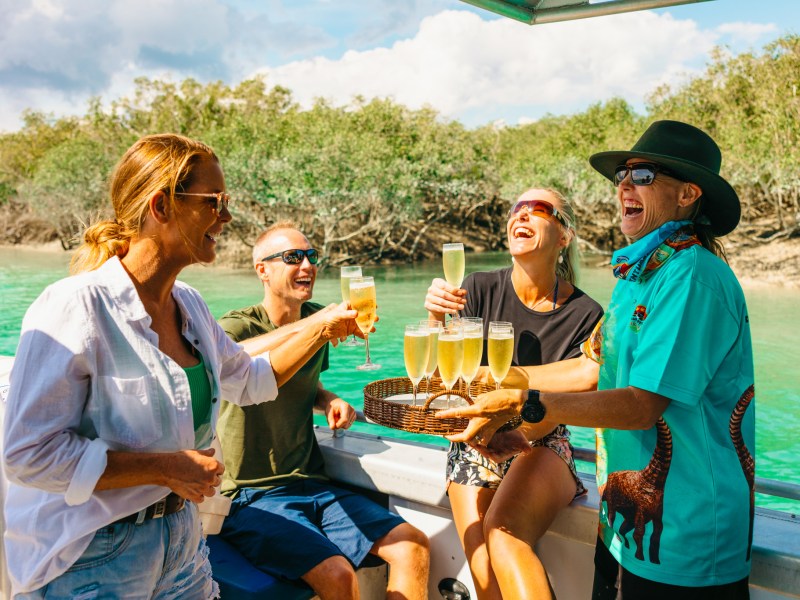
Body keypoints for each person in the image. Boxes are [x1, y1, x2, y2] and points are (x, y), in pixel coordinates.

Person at [2, 134, 359, 599]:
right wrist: (163, 468)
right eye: (215, 201)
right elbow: (28, 454)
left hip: (182, 543)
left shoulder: (188, 304)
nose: (227, 217)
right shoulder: (77, 305)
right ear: (162, 205)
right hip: (95, 553)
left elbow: (250, 381)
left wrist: (321, 330)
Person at [440, 120, 755, 599]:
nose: (625, 184)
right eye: (622, 176)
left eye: (643, 175)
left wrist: (527, 405)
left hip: (687, 536)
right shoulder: (638, 276)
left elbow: (641, 405)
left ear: (689, 194)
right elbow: (590, 369)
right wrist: (492, 381)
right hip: (624, 524)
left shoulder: (692, 276)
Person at [216, 221, 430, 600]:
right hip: (249, 496)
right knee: (338, 575)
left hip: (312, 483)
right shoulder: (239, 326)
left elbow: (301, 381)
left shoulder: (318, 318)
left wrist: (326, 398)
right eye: (292, 257)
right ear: (262, 270)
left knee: (411, 545)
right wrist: (317, 326)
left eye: (312, 256)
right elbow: (225, 361)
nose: (307, 265)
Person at [424, 188, 603, 599]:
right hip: (475, 441)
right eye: (516, 209)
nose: (521, 215)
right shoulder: (478, 288)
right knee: (484, 572)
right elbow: (444, 380)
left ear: (565, 235)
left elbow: (582, 382)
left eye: (537, 209)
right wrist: (435, 317)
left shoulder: (585, 313)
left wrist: (503, 384)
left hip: (543, 441)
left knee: (504, 533)